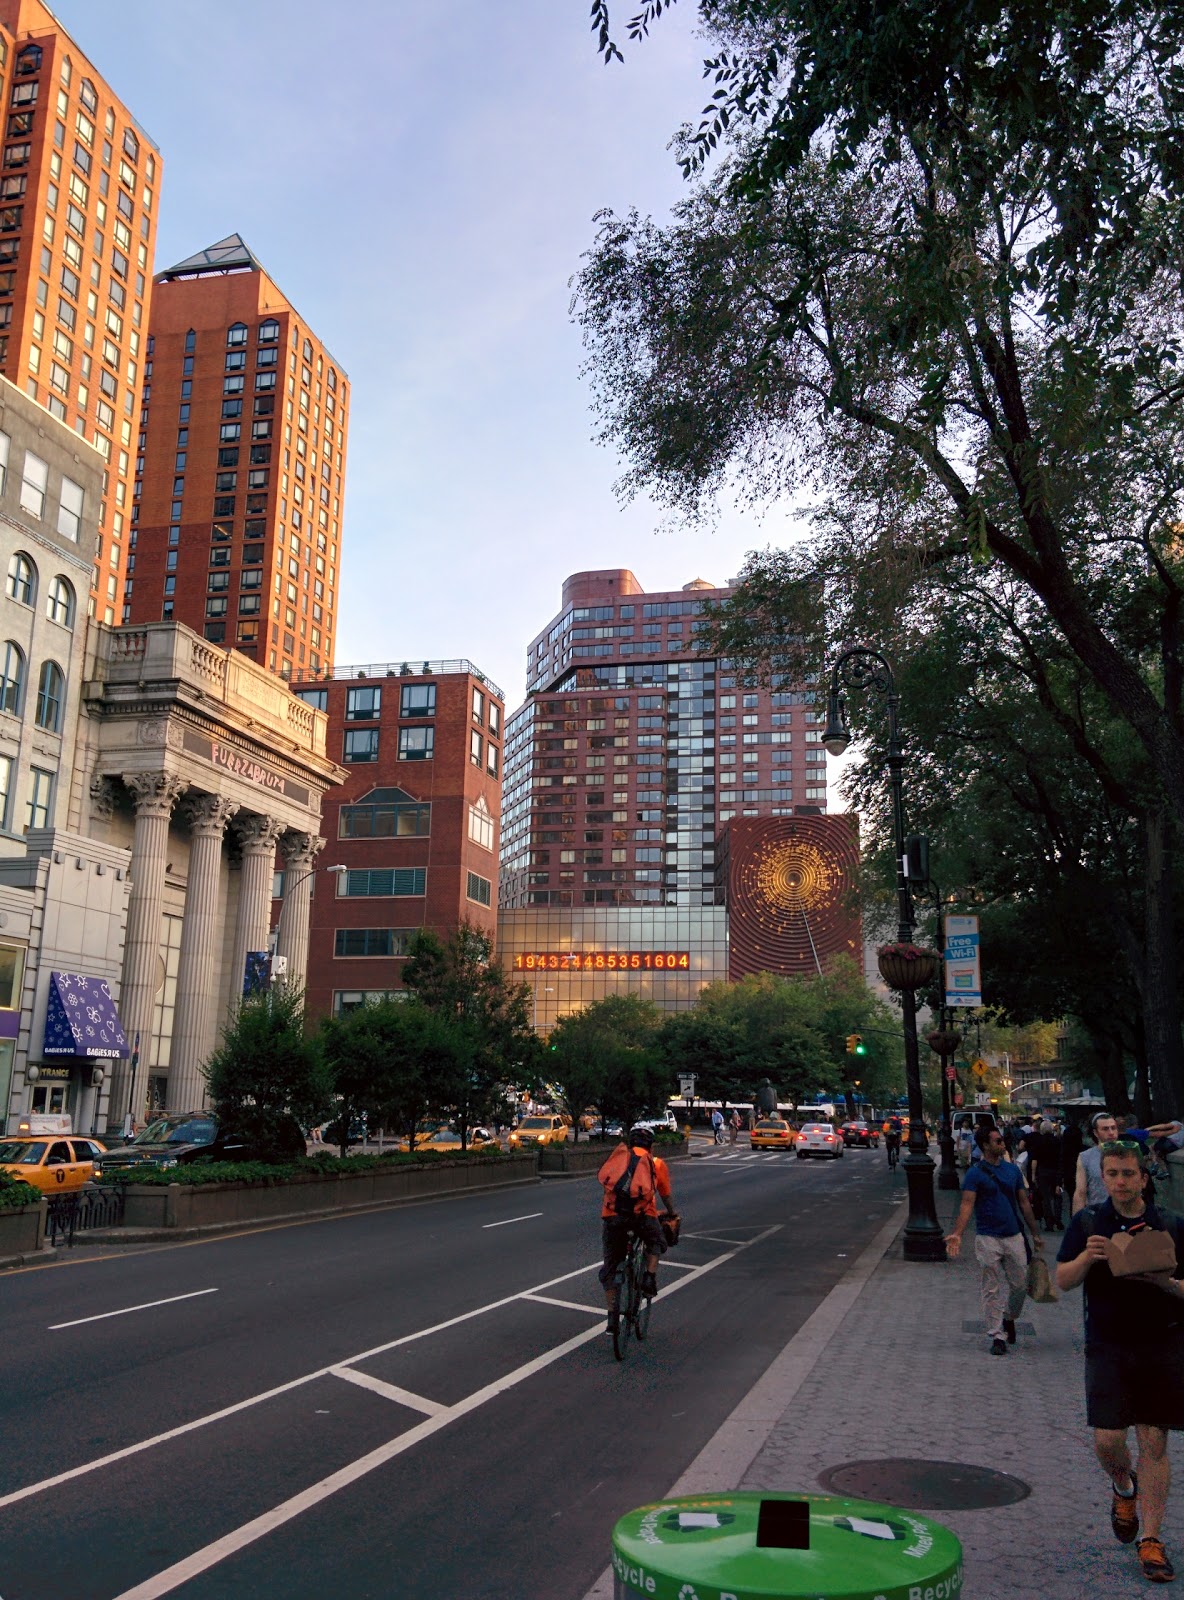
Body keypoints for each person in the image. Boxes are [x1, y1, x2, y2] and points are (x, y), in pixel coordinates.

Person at [1056, 1139, 1184, 1584]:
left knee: (1155, 1442)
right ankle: (1122, 1486)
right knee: (1108, 1441)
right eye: (1112, 1174)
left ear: (1144, 1178)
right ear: (1103, 1177)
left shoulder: (1170, 1223)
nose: (1121, 1182)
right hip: (1108, 1346)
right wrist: (1087, 1259)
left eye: (1129, 1174)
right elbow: (1063, 1282)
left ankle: (1151, 1540)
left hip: (1162, 1346)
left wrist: (1166, 1283)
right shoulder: (1090, 1222)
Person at [945, 1125, 1043, 1356]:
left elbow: (1024, 1203)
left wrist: (1035, 1232)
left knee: (1020, 1284)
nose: (1002, 1144)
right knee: (991, 1286)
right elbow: (967, 1204)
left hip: (1013, 1235)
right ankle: (996, 1334)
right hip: (987, 1236)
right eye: (997, 1141)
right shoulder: (975, 1173)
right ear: (986, 1145)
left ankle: (1009, 1317)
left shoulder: (1012, 1171)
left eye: (1002, 1140)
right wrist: (958, 1233)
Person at [598, 1125, 678, 1330]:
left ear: (630, 1142)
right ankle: (649, 1278)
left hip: (613, 1216)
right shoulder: (656, 1163)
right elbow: (665, 1194)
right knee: (657, 1241)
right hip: (642, 1217)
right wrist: (671, 1212)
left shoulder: (618, 1159)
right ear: (651, 1145)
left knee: (610, 1266)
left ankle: (612, 1318)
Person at [1074, 1111, 1120, 1215]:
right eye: (1105, 1129)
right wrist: (1077, 1223)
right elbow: (1080, 1193)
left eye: (1113, 1128)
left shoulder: (1128, 1153)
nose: (1111, 1132)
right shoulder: (1085, 1157)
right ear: (1095, 1133)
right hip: (1098, 1214)